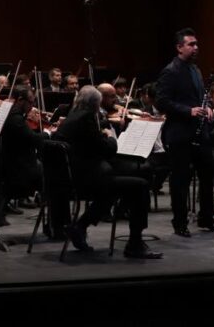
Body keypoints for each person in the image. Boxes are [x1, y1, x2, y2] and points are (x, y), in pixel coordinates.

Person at [56, 85, 162, 259]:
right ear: (95, 105)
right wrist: (110, 137)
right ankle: (135, 243)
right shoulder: (86, 119)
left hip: (72, 177)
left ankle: (80, 226)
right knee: (140, 186)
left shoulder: (73, 117)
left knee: (118, 188)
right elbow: (106, 149)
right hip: (86, 179)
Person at [155, 27, 214, 236]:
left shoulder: (196, 70)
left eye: (196, 44)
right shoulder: (170, 71)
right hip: (179, 134)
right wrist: (189, 111)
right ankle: (180, 223)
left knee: (207, 175)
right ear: (179, 47)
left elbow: (200, 98)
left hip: (199, 132)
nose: (196, 48)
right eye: (191, 44)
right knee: (180, 180)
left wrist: (208, 107)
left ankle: (206, 218)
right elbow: (161, 102)